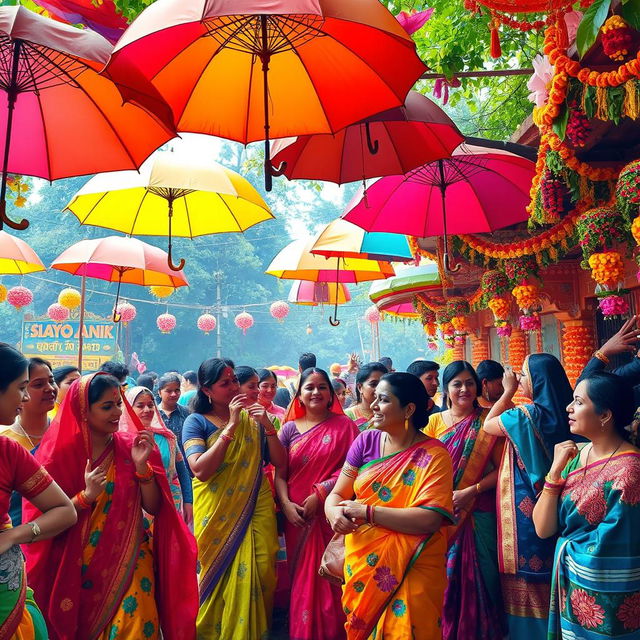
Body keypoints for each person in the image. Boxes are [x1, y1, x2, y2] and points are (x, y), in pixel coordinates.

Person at [24, 372, 198, 640]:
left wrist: (142, 468)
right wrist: (85, 497)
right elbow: (40, 520)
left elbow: (153, 508)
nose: (118, 412)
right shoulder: (58, 456)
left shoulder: (133, 447)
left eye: (118, 403)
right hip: (77, 565)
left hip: (131, 559)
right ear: (84, 410)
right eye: (107, 406)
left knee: (137, 627)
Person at [326, 372, 455, 639]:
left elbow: (430, 519)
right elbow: (337, 494)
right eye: (375, 397)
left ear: (408, 409)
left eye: (383, 400)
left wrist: (367, 512)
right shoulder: (366, 441)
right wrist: (333, 513)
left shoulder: (434, 455)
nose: (373, 405)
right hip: (364, 560)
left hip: (415, 562)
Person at [182, 358, 285, 638]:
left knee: (262, 568)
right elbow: (200, 470)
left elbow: (280, 461)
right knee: (218, 577)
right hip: (216, 511)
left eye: (234, 381)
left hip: (256, 503)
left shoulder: (256, 418)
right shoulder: (196, 421)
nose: (233, 388)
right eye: (224, 383)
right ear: (207, 390)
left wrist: (267, 426)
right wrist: (229, 429)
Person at [532, 372, 640, 640]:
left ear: (605, 415)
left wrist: (568, 550)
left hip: (604, 602)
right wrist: (554, 473)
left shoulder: (630, 471)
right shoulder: (576, 454)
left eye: (578, 402)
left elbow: (614, 549)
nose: (568, 408)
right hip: (571, 588)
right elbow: (543, 529)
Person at [483, 354, 573, 640]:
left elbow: (488, 425)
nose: (519, 379)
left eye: (523, 375)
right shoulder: (572, 412)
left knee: (524, 581)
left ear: (538, 381)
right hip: (559, 506)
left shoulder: (526, 415)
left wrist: (508, 390)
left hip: (525, 517)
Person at [0, 343, 77, 640]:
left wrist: (13, 535)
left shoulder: (9, 452)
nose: (25, 397)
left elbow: (64, 511)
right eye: (22, 387)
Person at [275, 368, 359, 640]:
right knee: (301, 578)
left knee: (331, 574)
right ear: (298, 395)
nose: (316, 392)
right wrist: (286, 505)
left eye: (322, 387)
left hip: (330, 515)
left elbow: (354, 470)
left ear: (331, 393)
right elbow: (279, 474)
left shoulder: (346, 426)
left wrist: (321, 494)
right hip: (296, 516)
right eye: (309, 387)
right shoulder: (288, 429)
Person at [424, 360, 505, 640]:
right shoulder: (433, 423)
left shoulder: (488, 421)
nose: (464, 389)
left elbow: (502, 470)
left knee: (485, 577)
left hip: (479, 512)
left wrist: (470, 491)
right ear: (446, 389)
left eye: (469, 383)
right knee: (444, 585)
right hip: (440, 515)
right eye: (457, 383)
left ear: (478, 385)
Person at [124, 386, 193, 525]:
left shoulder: (167, 437)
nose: (147, 410)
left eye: (150, 405)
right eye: (140, 406)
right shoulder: (122, 439)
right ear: (129, 409)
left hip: (170, 502)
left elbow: (181, 471)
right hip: (133, 506)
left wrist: (188, 501)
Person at [2, 357, 58, 525]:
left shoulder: (67, 433)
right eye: (38, 384)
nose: (49, 388)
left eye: (51, 381)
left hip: (60, 532)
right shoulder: (7, 441)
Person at [157, 373, 191, 465]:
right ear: (159, 392)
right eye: (168, 391)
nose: (174, 394)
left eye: (177, 390)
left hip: (186, 465)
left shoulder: (187, 413)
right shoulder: (153, 415)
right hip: (161, 465)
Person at [344, 362, 388, 431]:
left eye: (383, 384)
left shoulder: (391, 414)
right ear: (360, 387)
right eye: (374, 384)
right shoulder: (347, 416)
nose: (379, 389)